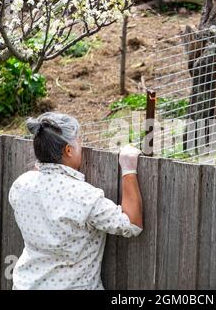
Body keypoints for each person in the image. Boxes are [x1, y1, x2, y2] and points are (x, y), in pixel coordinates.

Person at [8, 112, 143, 290]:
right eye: (80, 143)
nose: (83, 146)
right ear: (68, 150)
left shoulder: (21, 185)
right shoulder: (85, 197)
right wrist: (128, 169)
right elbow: (131, 224)